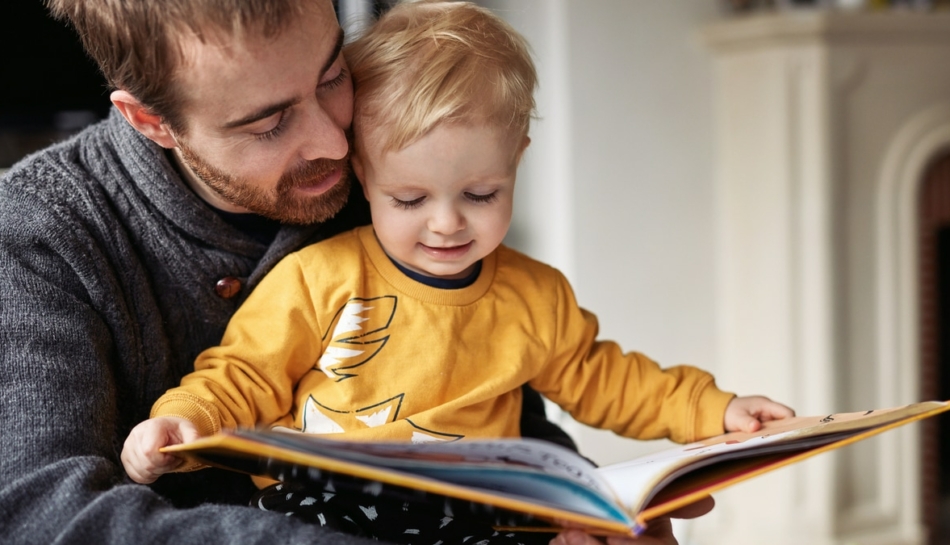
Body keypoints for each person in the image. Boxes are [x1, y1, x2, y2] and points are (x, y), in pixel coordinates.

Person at [120, 2, 795, 544]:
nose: (447, 224)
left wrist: (718, 410)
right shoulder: (320, 275)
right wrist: (185, 421)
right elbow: (244, 373)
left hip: (480, 506)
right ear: (363, 173)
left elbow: (607, 377)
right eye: (409, 200)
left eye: (481, 194)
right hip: (331, 502)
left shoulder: (536, 295)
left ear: (518, 160)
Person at [0, 0, 575, 544]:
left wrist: (580, 511)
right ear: (150, 120)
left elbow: (499, 404)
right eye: (269, 123)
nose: (332, 141)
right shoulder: (39, 233)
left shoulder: (398, 184)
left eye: (332, 77)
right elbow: (42, 515)